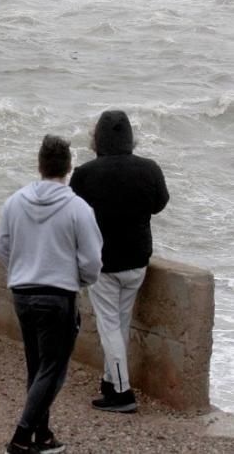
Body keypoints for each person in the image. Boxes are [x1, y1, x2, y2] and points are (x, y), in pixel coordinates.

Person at [0, 135, 103, 454]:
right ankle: (21, 436)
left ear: (39, 165)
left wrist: (22, 268)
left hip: (23, 293)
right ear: (69, 168)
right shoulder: (78, 208)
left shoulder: (15, 201)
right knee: (53, 370)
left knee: (36, 366)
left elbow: (1, 245)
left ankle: (42, 435)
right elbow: (92, 261)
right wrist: (76, 280)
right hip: (58, 296)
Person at [70, 110, 169, 413]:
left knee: (109, 325)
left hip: (104, 262)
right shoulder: (150, 169)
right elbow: (160, 204)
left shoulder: (85, 174)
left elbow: (74, 213)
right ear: (130, 139)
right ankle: (111, 382)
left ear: (97, 139)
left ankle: (123, 393)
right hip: (138, 261)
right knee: (121, 323)